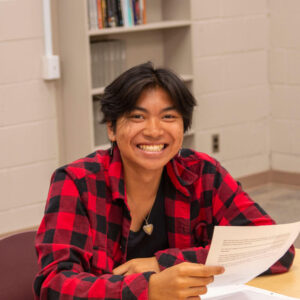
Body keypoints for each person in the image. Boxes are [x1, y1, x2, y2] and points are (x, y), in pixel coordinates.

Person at [34, 62, 295, 300]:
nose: (154, 130)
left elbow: (276, 251)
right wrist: (150, 288)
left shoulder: (203, 174)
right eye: (138, 117)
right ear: (112, 128)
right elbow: (55, 285)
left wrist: (162, 263)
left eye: (168, 117)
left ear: (183, 127)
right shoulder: (77, 183)